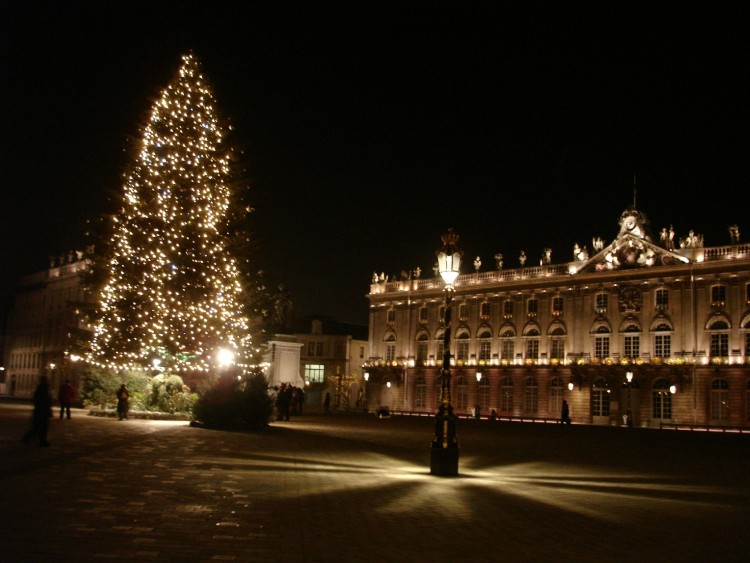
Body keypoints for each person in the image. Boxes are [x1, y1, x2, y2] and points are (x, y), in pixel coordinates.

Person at [22, 375, 53, 446]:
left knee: (38, 427)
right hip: (42, 411)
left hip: (40, 411)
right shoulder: (43, 389)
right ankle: (40, 440)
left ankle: (35, 439)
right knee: (41, 427)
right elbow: (45, 400)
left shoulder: (41, 388)